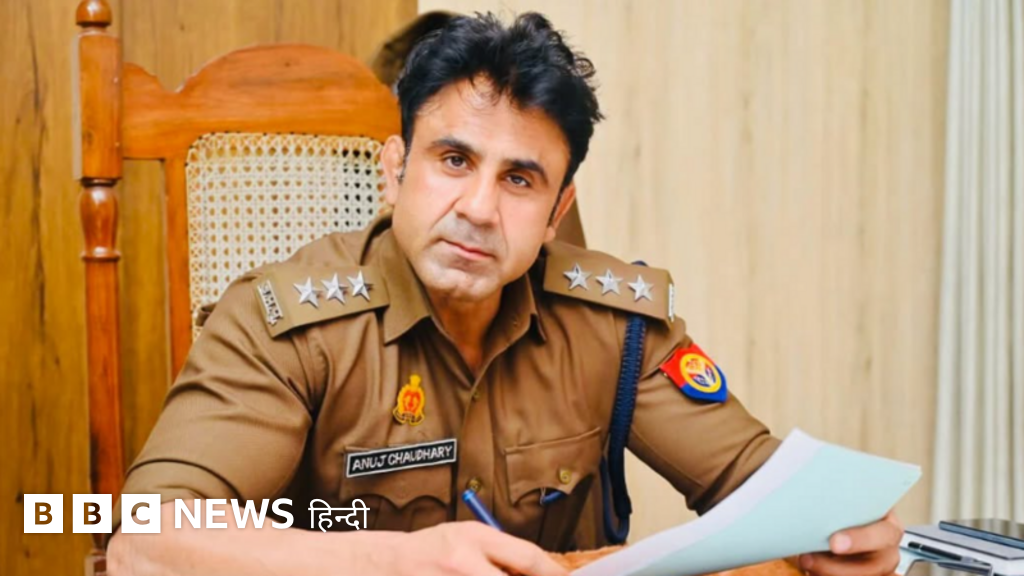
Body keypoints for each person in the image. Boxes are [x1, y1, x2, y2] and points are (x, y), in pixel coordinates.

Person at [107, 12, 904, 576]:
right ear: (396, 171)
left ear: (557, 211)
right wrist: (401, 563)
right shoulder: (284, 321)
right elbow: (146, 543)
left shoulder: (613, 322)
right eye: (454, 161)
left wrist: (837, 531)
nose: (480, 209)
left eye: (519, 179)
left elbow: (761, 489)